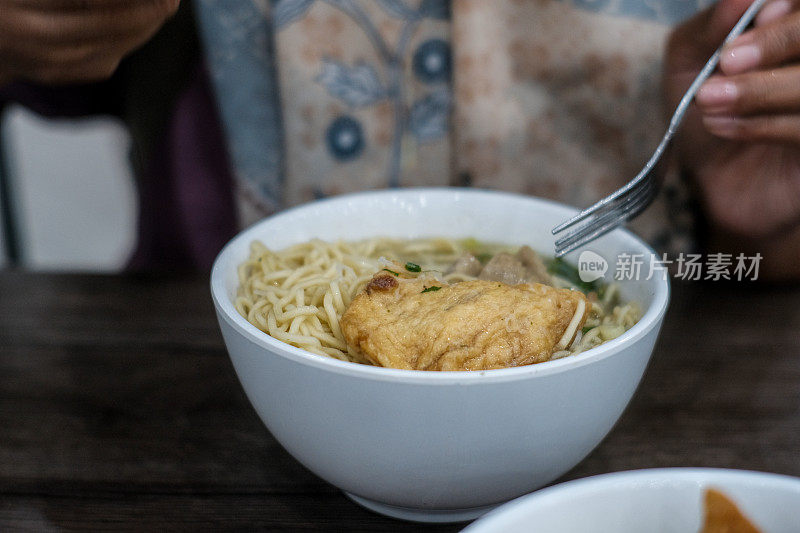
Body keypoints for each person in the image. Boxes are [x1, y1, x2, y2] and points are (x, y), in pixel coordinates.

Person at [0, 0, 798, 279]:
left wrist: (760, 219)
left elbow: (759, 257)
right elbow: (50, 58)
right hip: (195, 381)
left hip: (678, 377)